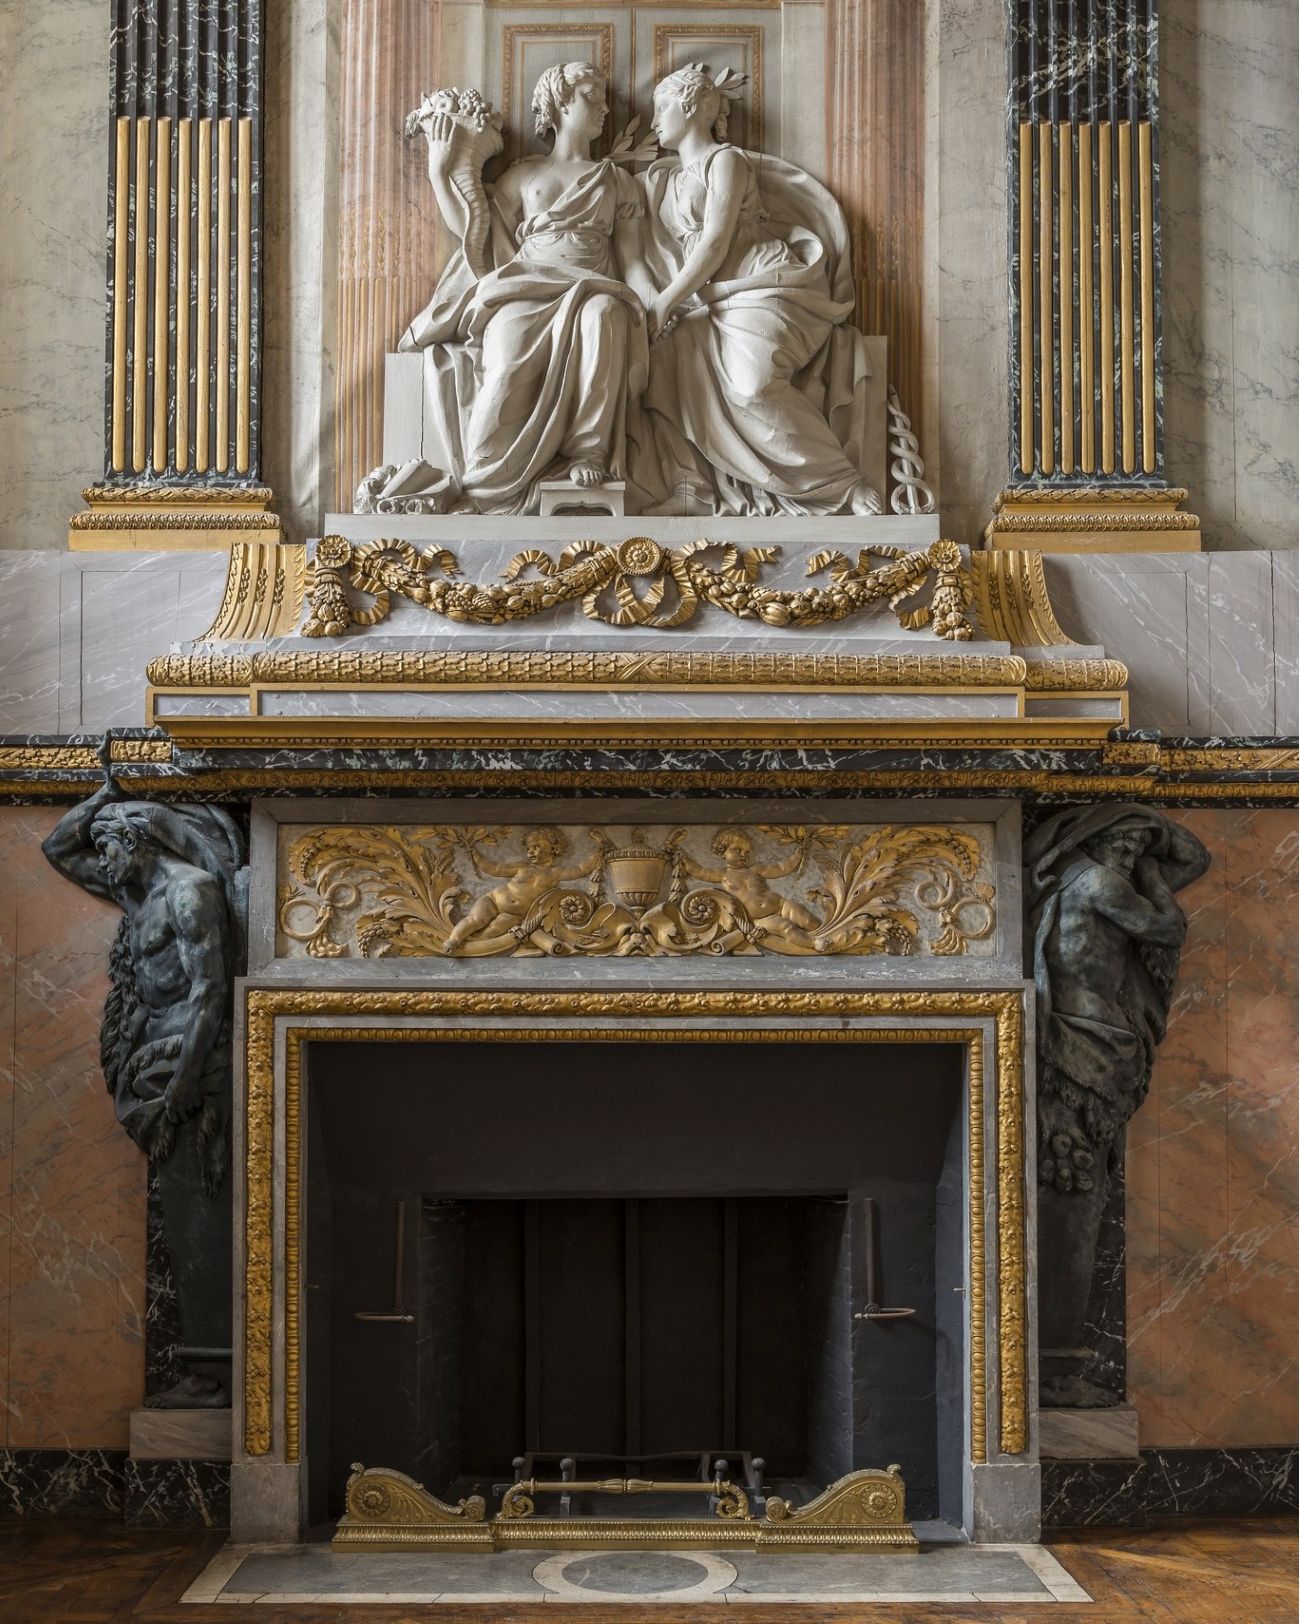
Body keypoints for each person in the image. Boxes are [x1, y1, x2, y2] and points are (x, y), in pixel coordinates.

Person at [42, 755, 247, 1407]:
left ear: (136, 844)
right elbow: (56, 847)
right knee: (180, 1206)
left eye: (109, 850)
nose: (100, 866)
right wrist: (105, 793)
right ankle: (204, 1365)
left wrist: (186, 1080)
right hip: (149, 1057)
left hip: (190, 1064)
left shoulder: (192, 894)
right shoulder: (135, 890)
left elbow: (213, 994)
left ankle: (215, 1369)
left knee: (198, 1205)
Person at [628, 63, 883, 516]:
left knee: (753, 386)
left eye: (661, 107)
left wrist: (667, 301)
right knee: (663, 361)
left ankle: (841, 481)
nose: (653, 121)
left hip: (763, 284)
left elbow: (715, 241)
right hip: (710, 299)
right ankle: (691, 486)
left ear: (690, 107)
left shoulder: (726, 161)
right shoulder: (663, 182)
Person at [402, 64, 647, 513]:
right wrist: (440, 174)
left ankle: (587, 449)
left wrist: (659, 304)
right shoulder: (523, 175)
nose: (605, 107)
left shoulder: (616, 180)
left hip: (591, 288)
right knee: (507, 363)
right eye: (593, 96)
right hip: (525, 289)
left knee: (607, 315)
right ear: (561, 103)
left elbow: (632, 262)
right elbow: (472, 232)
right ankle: (484, 475)